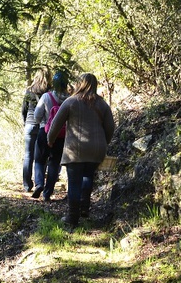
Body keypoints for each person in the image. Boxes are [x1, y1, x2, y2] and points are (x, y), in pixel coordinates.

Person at [46, 72, 115, 227]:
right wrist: (104, 143)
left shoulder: (71, 102)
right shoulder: (102, 104)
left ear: (79, 84)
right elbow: (110, 127)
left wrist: (50, 140)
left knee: (75, 181)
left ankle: (72, 217)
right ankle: (84, 208)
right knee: (88, 176)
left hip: (75, 149)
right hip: (97, 149)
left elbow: (56, 123)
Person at [30, 70, 69, 200]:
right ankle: (47, 193)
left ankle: (39, 184)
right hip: (62, 135)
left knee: (40, 160)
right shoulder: (70, 99)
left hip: (44, 131)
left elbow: (36, 116)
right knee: (54, 162)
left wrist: (44, 122)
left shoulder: (46, 97)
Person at [20, 67, 51, 192]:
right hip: (42, 126)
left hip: (29, 125)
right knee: (41, 156)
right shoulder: (48, 91)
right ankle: (40, 182)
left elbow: (24, 109)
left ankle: (27, 185)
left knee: (28, 156)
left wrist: (25, 122)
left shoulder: (29, 90)